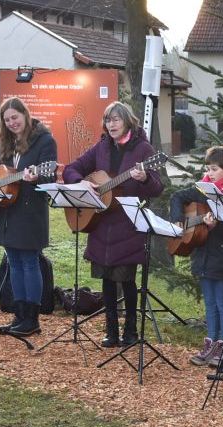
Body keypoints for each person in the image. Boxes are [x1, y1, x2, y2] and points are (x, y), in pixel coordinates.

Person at [63, 101, 163, 347]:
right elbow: (71, 169)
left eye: (116, 119)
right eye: (108, 120)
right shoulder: (101, 146)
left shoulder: (144, 149)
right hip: (100, 223)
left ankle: (130, 332)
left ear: (128, 121)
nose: (112, 124)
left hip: (127, 224)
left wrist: (144, 178)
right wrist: (82, 182)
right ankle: (111, 331)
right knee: (107, 280)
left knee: (126, 279)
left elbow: (157, 187)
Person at [0, 97, 56, 336]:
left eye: (15, 117)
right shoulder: (1, 140)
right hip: (5, 210)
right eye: (7, 120)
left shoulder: (44, 140)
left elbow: (50, 176)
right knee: (14, 262)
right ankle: (19, 314)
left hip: (30, 211)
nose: (11, 123)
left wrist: (36, 176)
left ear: (25, 115)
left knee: (29, 262)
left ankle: (32, 318)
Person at [170, 146, 223, 367]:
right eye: (208, 169)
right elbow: (177, 196)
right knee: (210, 303)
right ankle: (210, 343)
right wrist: (179, 220)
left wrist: (218, 224)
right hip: (203, 255)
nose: (211, 173)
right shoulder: (202, 188)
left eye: (214, 169)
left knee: (222, 303)